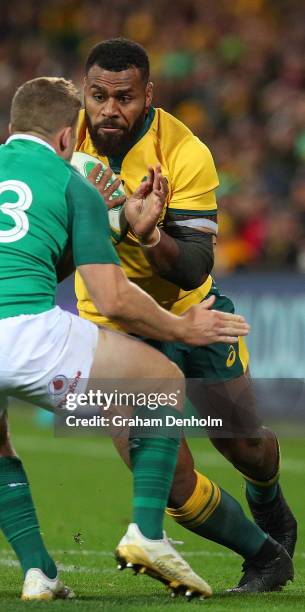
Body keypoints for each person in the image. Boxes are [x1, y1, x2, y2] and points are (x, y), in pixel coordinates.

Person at [0, 77, 250, 601]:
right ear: (67, 137)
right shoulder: (70, 182)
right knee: (161, 379)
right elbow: (111, 299)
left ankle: (40, 573)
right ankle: (148, 535)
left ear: (11, 128)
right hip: (21, 333)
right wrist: (182, 328)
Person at [74, 38, 296, 593]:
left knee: (242, 443)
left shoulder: (185, 151)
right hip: (112, 322)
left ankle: (269, 501)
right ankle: (265, 558)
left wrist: (147, 235)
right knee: (167, 476)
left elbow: (195, 264)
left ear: (147, 93)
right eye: (97, 95)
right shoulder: (62, 140)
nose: (108, 109)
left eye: (123, 97)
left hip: (187, 310)